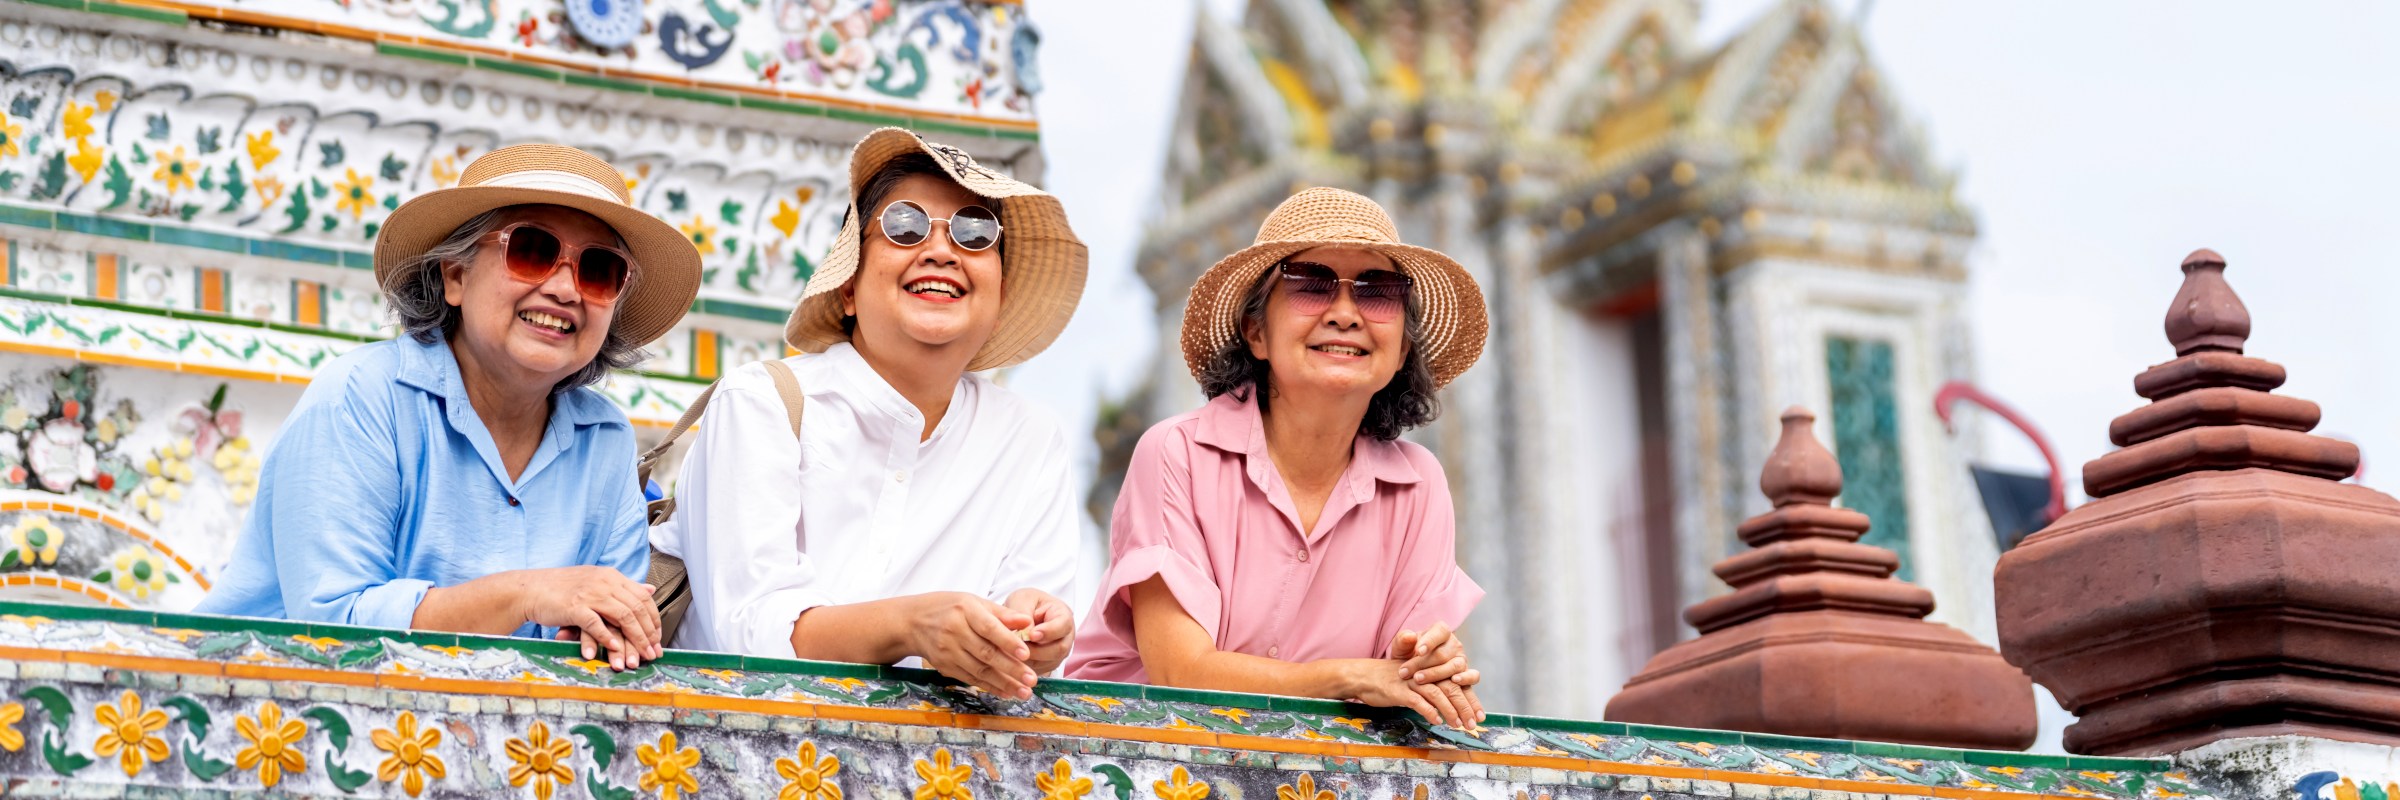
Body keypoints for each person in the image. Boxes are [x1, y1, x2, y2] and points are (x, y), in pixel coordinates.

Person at [198, 144, 701, 670]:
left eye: (598, 270)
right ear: (454, 277)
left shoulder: (607, 439)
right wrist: (529, 594)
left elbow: (605, 644)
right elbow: (333, 630)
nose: (564, 289)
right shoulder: (361, 396)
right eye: (530, 250)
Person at [653, 128, 1088, 700]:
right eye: (905, 227)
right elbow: (754, 637)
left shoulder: (1030, 438)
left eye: (975, 233)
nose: (941, 250)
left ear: (999, 295)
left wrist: (1036, 631)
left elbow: (1023, 664)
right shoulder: (763, 404)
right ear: (850, 286)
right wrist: (914, 625)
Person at [1064, 187, 1492, 727]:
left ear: (1402, 349)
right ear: (1256, 333)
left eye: (1378, 292)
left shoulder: (1418, 483)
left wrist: (1430, 668)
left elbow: (1399, 679)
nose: (1344, 313)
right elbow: (1181, 674)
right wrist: (1353, 677)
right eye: (1310, 285)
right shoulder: (1176, 453)